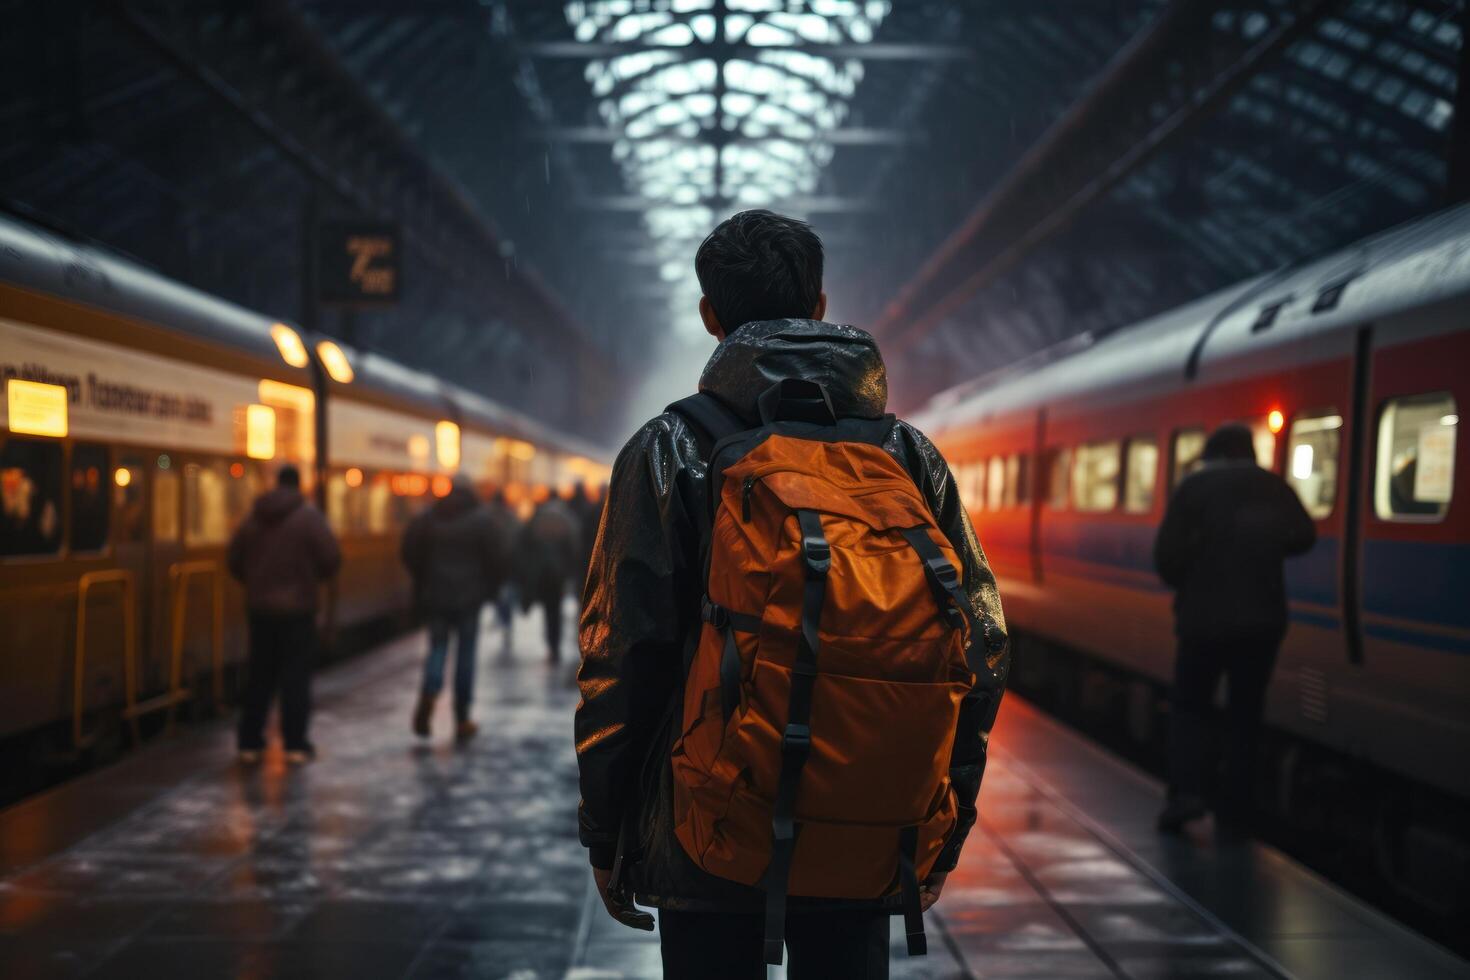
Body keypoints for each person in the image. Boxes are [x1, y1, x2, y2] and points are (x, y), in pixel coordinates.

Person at [575, 209, 1009, 978]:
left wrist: (608, 833)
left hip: (710, 824)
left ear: (710, 316)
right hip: (866, 820)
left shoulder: (669, 450)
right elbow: (981, 642)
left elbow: (623, 655)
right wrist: (945, 824)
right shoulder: (909, 455)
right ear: (819, 304)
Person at [1153, 422, 1316, 834]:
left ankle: (1188, 795)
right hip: (1261, 622)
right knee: (1245, 714)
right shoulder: (1273, 486)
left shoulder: (1195, 488)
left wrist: (1194, 577)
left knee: (1192, 707)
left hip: (1203, 621)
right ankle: (1236, 809)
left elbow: (1166, 558)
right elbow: (1304, 536)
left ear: (1216, 454)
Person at [227, 464, 340, 765]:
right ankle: (294, 745)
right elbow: (331, 559)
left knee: (259, 676)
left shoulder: (253, 518)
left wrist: (255, 583)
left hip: (260, 610)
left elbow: (234, 559)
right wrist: (311, 578)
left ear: (276, 484)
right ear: (298, 485)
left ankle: (249, 743)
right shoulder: (309, 518)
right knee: (295, 678)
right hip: (298, 611)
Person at [401, 474, 510, 741]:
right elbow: (496, 559)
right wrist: (489, 590)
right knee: (465, 655)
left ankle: (429, 690)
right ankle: (461, 718)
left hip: (436, 595)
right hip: (469, 598)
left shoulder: (429, 517)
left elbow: (409, 550)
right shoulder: (482, 521)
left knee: (437, 647)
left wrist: (423, 578)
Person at [516, 496, 582, 663]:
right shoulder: (567, 522)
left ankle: (551, 645)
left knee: (548, 611)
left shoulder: (538, 521)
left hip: (543, 574)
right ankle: (555, 644)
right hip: (558, 576)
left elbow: (525, 543)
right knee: (555, 611)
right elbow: (574, 548)